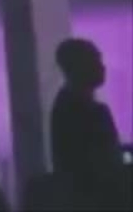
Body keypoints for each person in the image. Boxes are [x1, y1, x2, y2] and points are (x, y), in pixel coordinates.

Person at [50, 37, 124, 210]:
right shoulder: (87, 111)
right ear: (77, 67)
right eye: (95, 61)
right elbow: (104, 166)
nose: (102, 67)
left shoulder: (65, 105)